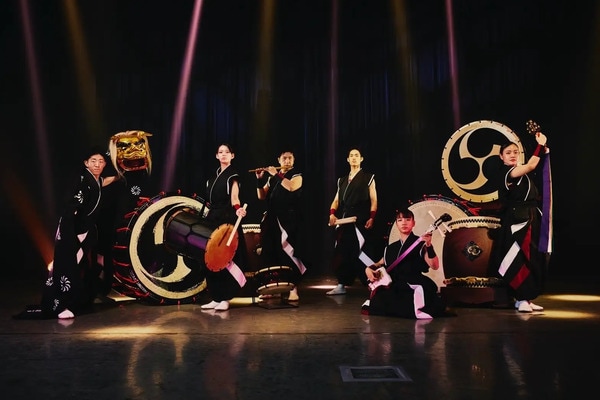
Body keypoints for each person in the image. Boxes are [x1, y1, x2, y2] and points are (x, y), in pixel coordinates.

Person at [14, 146, 118, 319]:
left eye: (101, 161)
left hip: (84, 230)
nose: (97, 164)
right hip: (71, 229)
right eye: (93, 161)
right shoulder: (82, 179)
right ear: (86, 163)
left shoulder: (96, 180)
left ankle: (76, 299)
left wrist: (120, 174)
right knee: (65, 267)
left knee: (80, 266)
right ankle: (59, 305)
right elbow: (72, 203)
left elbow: (105, 181)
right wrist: (72, 225)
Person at [491, 127, 551, 313]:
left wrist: (543, 150)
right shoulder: (506, 173)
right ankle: (520, 297)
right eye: (508, 152)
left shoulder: (522, 174)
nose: (512, 155)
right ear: (501, 156)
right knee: (519, 258)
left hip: (530, 217)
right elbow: (532, 165)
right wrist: (539, 146)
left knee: (532, 258)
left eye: (515, 152)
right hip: (517, 221)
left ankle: (526, 298)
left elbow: (536, 169)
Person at [361, 208, 452, 319]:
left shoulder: (421, 244)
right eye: (400, 220)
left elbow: (434, 265)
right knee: (378, 301)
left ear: (413, 223)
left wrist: (429, 245)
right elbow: (377, 264)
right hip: (394, 284)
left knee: (410, 301)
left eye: (408, 219)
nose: (404, 222)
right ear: (396, 224)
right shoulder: (390, 248)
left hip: (413, 283)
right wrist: (367, 269)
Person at [200, 143, 248, 312]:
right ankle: (216, 297)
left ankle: (226, 298)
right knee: (211, 258)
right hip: (212, 219)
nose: (224, 154)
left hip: (226, 219)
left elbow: (235, 198)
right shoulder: (211, 179)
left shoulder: (233, 176)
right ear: (216, 156)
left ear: (232, 156)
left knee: (225, 257)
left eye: (227, 152)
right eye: (220, 152)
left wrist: (238, 209)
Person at [254, 149, 307, 301]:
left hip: (288, 220)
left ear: (294, 160)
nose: (287, 161)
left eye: (290, 158)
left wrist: (276, 175)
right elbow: (261, 196)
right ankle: (274, 289)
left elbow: (292, 187)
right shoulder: (272, 178)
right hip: (272, 220)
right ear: (279, 160)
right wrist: (259, 179)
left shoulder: (296, 175)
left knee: (288, 254)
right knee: (271, 253)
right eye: (284, 158)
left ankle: (293, 289)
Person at [326, 147, 378, 295]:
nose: (354, 158)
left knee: (362, 251)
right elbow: (336, 200)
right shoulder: (341, 180)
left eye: (356, 155)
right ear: (348, 159)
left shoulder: (368, 177)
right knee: (342, 252)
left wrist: (372, 217)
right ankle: (341, 283)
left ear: (361, 159)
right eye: (351, 155)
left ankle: (373, 282)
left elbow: (374, 200)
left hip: (361, 220)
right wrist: (332, 214)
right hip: (345, 220)